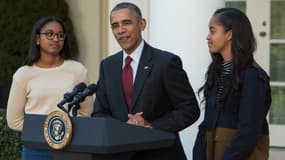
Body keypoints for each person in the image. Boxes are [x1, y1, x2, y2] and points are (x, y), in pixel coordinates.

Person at [92, 2, 200, 160]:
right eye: (115, 25)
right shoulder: (107, 66)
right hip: (119, 155)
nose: (120, 30)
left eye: (127, 23)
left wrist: (151, 126)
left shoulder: (166, 62)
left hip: (160, 154)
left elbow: (189, 109)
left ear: (142, 24)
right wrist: (122, 128)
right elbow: (99, 113)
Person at [6, 16, 93, 160]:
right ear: (37, 39)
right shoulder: (23, 74)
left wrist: (66, 133)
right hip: (36, 149)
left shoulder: (78, 70)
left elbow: (86, 113)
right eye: (49, 34)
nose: (56, 39)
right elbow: (14, 120)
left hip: (72, 147)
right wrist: (51, 132)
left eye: (60, 35)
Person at [193, 8, 271, 160]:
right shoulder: (216, 73)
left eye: (213, 31)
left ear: (229, 34)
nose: (207, 37)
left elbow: (248, 132)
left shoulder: (253, 77)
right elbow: (206, 124)